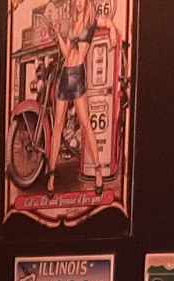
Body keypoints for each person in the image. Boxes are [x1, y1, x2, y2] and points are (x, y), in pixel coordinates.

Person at [48, 0, 105, 194]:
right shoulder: (72, 24)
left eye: (82, 0)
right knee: (57, 126)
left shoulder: (91, 22)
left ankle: (98, 171)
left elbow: (106, 22)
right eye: (76, 0)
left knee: (86, 124)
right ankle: (51, 175)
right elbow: (66, 54)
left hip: (78, 75)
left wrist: (113, 30)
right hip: (65, 75)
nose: (79, 3)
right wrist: (58, 34)